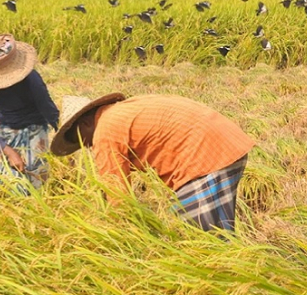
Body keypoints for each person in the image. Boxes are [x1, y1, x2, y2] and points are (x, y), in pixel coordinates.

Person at [50, 94, 256, 232]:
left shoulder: (105, 130)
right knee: (217, 230)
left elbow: (118, 196)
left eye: (82, 140)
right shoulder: (123, 110)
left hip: (204, 156)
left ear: (85, 123)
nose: (88, 147)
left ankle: (226, 283)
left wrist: (116, 235)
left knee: (195, 235)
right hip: (223, 143)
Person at [0, 34, 59, 196]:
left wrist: (64, 137)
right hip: (4, 132)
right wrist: (9, 151)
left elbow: (49, 110)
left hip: (35, 129)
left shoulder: (29, 78)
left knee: (33, 189)